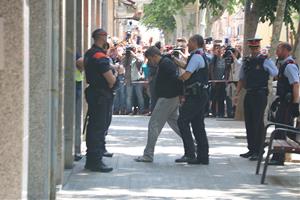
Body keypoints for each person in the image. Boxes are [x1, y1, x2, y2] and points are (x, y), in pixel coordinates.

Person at [134, 46, 183, 162]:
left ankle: (148, 155)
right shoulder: (165, 63)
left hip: (167, 98)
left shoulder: (166, 64)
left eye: (150, 60)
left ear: (154, 56)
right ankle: (194, 146)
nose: (150, 63)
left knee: (154, 125)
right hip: (170, 98)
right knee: (177, 124)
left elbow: (176, 80)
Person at [234, 38, 278, 161]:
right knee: (249, 121)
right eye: (252, 48)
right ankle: (251, 148)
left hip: (260, 93)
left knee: (258, 122)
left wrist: (267, 64)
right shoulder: (246, 61)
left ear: (259, 48)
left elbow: (275, 72)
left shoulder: (265, 60)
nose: (254, 50)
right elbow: (241, 79)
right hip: (249, 93)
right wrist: (237, 94)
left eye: (256, 48)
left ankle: (259, 150)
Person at [84, 28, 117, 172]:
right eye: (106, 36)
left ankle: (91, 159)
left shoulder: (89, 53)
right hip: (101, 95)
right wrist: (115, 78)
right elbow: (110, 79)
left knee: (93, 127)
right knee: (99, 128)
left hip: (94, 93)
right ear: (102, 37)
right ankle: (95, 161)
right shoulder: (99, 55)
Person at [175, 34, 210, 165]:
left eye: (189, 42)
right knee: (198, 125)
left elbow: (187, 75)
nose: (187, 45)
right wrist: (175, 60)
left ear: (195, 43)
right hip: (200, 95)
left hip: (196, 96)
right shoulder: (200, 55)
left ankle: (190, 153)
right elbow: (188, 67)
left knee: (182, 121)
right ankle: (202, 156)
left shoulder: (196, 56)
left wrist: (175, 81)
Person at [270, 42, 299, 165]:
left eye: (279, 49)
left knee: (281, 129)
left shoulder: (289, 66)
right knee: (280, 128)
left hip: (288, 104)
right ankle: (278, 156)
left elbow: (296, 85)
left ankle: (279, 157)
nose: (277, 52)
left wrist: (295, 104)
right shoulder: (284, 64)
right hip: (284, 101)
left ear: (286, 51)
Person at [209, 44, 226, 118]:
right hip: (215, 81)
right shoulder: (214, 58)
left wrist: (225, 78)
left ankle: (221, 113)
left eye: (220, 49)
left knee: (221, 98)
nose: (219, 50)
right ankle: (213, 112)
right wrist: (213, 80)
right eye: (217, 48)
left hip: (222, 81)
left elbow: (226, 70)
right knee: (214, 97)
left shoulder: (224, 59)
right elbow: (211, 69)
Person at [74, 52, 84, 161]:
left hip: (76, 84)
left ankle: (75, 150)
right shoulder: (73, 52)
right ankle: (74, 150)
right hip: (73, 85)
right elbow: (80, 62)